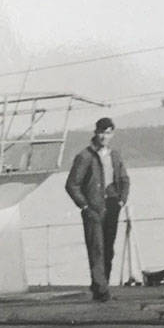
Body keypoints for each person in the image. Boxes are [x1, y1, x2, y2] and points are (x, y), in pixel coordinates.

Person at [65, 117, 130, 301]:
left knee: (108, 248)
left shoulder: (115, 155)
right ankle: (101, 289)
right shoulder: (85, 156)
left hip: (112, 204)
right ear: (95, 133)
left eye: (108, 133)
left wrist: (121, 200)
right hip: (93, 208)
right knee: (97, 248)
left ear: (112, 134)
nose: (104, 136)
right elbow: (72, 184)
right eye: (101, 132)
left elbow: (124, 179)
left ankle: (101, 285)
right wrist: (85, 206)